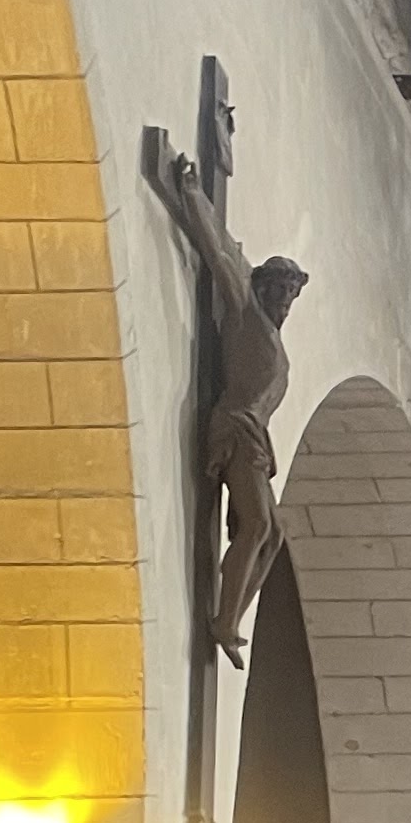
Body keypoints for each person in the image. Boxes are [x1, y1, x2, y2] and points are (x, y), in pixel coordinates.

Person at [159, 152, 309, 663]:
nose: (284, 301)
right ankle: (223, 621)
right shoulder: (245, 310)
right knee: (259, 527)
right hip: (236, 428)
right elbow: (218, 253)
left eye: (291, 295)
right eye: (279, 290)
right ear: (262, 288)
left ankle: (231, 619)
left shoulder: (275, 342)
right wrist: (192, 193)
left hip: (256, 438)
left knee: (275, 534)